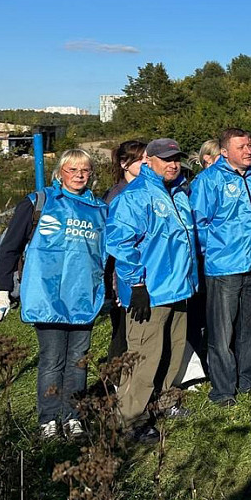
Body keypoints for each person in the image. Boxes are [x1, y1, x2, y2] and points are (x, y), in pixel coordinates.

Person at [0, 149, 108, 441]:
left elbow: (106, 254)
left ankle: (73, 416)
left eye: (85, 170)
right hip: (47, 294)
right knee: (53, 358)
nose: (79, 175)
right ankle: (49, 419)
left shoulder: (99, 209)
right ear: (60, 173)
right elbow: (10, 248)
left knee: (78, 359)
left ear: (91, 174)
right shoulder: (37, 203)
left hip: (83, 295)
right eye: (72, 170)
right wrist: (1, 291)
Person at [106, 138, 198, 443]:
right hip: (151, 292)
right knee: (144, 356)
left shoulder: (178, 193)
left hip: (179, 288)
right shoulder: (135, 197)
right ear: (149, 161)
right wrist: (137, 284)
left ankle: (163, 402)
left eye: (176, 159)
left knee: (173, 351)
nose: (173, 164)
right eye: (166, 159)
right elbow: (121, 244)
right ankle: (132, 418)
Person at [189, 128, 251, 406]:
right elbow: (199, 224)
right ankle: (223, 390)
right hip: (224, 265)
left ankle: (249, 380)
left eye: (250, 146)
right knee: (222, 331)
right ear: (225, 152)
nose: (249, 151)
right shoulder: (209, 180)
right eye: (242, 147)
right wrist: (211, 255)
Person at [104, 140, 146, 362]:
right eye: (139, 159)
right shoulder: (117, 195)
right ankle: (116, 378)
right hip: (120, 272)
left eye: (147, 158)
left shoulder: (147, 191)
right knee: (121, 328)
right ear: (124, 163)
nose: (144, 163)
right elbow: (114, 243)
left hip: (143, 268)